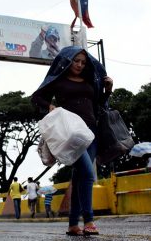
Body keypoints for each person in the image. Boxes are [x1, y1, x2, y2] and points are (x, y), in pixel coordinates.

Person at [31, 45, 113, 236]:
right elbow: (36, 98)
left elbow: (99, 104)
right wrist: (50, 106)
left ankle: (73, 225)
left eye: (83, 62)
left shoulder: (89, 81)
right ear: (67, 61)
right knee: (86, 172)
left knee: (80, 177)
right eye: (76, 61)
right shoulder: (58, 81)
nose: (80, 65)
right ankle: (89, 220)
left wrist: (107, 89)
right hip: (69, 134)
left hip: (90, 133)